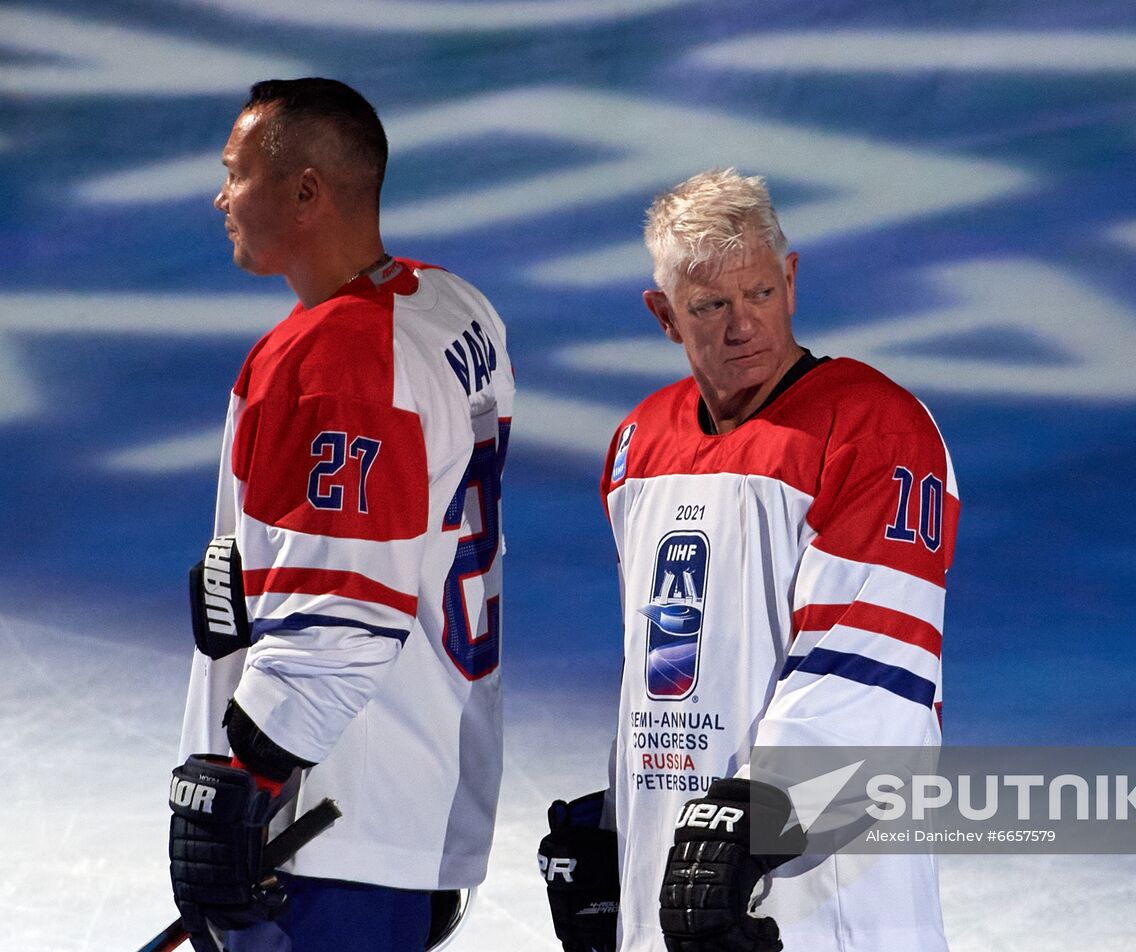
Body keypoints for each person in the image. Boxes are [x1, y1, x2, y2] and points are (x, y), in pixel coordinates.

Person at [538, 168, 959, 952]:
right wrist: (621, 820)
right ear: (663, 314)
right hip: (678, 880)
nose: (743, 327)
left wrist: (755, 816)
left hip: (818, 889)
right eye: (710, 306)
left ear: (791, 279)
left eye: (760, 294)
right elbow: (667, 661)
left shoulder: (876, 429)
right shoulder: (638, 444)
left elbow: (871, 673)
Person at [169, 78, 513, 952]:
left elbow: (341, 617)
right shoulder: (450, 307)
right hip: (420, 789)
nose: (221, 197)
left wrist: (245, 783)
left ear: (306, 193)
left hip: (327, 829)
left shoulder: (336, 360)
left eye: (235, 173)